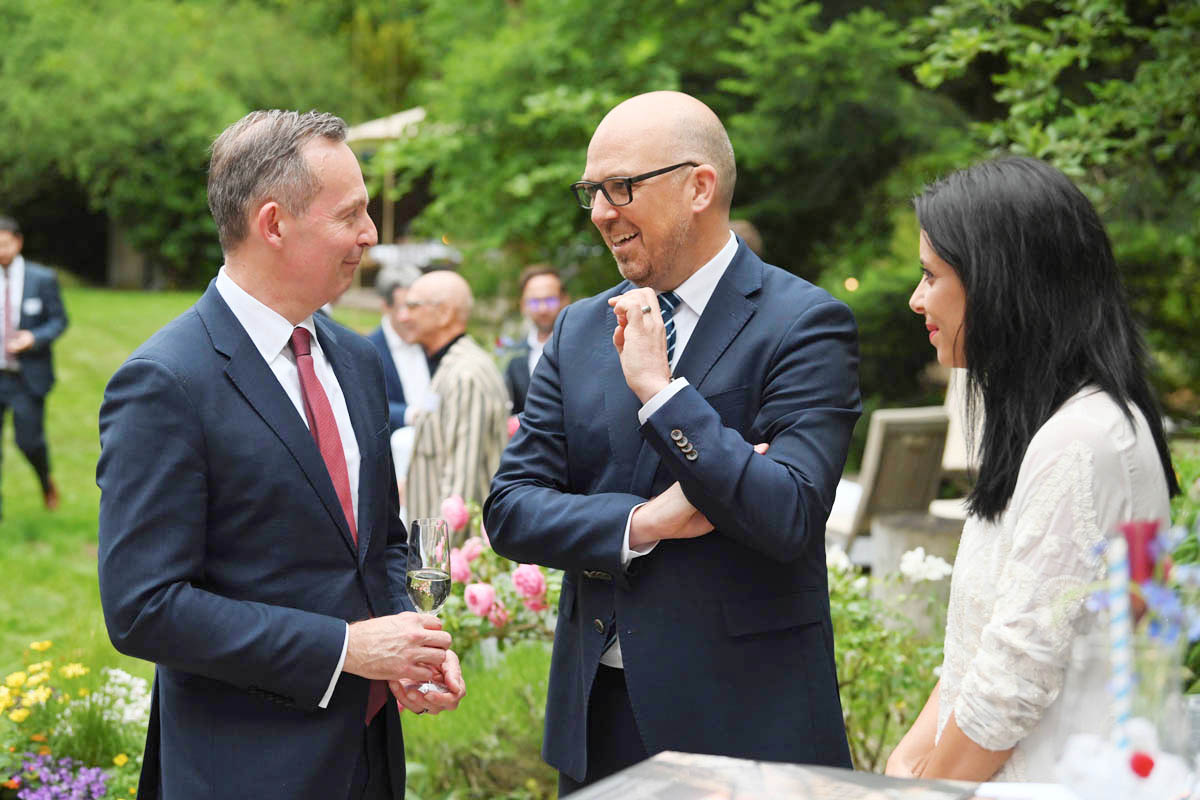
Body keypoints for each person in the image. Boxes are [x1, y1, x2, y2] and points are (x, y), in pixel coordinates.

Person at [484, 91, 861, 793]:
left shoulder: (804, 324)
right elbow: (510, 509)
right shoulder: (578, 329)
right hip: (599, 722)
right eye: (591, 191)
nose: (600, 211)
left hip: (747, 721)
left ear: (699, 186)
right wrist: (643, 522)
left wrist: (663, 394)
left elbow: (788, 514)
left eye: (621, 186)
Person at [96, 110, 465, 800]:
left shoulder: (356, 360)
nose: (371, 235)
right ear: (273, 224)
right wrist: (344, 650)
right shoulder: (167, 382)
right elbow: (144, 607)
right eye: (350, 214)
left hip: (368, 757)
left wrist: (402, 646)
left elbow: (379, 541)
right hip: (244, 769)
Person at [887, 155, 1178, 783]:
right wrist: (912, 754)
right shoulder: (1070, 424)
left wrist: (928, 787)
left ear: (1000, 282)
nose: (917, 300)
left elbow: (1013, 681)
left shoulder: (1080, 441)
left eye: (931, 276)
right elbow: (988, 646)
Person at [399, 269, 509, 525]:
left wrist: (435, 559)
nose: (403, 316)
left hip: (456, 555)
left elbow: (461, 485)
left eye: (413, 306)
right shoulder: (451, 366)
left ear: (445, 313)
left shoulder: (465, 374)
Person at [0, 216, 68, 518]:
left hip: (27, 376)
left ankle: (45, 481)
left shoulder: (41, 278)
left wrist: (34, 337)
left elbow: (59, 321)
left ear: (17, 242)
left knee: (28, 442)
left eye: (4, 244)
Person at [367, 264, 432, 433]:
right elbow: (367, 406)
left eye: (416, 306)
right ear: (385, 306)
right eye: (404, 307)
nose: (412, 316)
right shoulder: (367, 350)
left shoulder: (432, 340)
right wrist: (411, 415)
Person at [504, 264, 568, 414]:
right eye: (534, 302)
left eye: (550, 300)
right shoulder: (515, 357)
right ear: (523, 305)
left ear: (565, 300)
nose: (542, 309)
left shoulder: (581, 348)